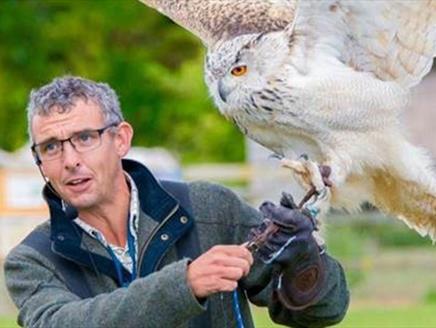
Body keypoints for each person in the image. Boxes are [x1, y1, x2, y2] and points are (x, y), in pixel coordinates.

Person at [4, 76, 349, 328]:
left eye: (83, 138)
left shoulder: (210, 208)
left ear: (121, 139)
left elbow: (324, 312)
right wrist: (184, 285)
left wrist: (305, 262)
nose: (69, 160)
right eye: (51, 146)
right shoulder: (32, 260)